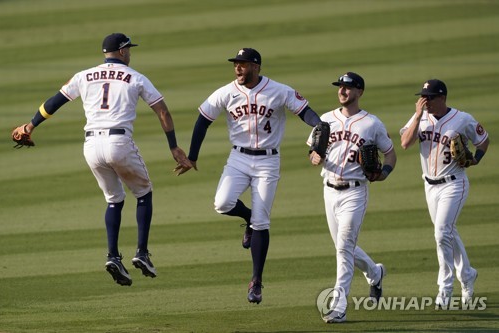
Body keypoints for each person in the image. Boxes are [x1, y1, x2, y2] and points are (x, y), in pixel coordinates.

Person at [12, 33, 192, 286]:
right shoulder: (136, 77)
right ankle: (141, 253)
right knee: (143, 193)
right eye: (128, 49)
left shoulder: (84, 75)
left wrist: (30, 125)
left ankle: (113, 256)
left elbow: (54, 102)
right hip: (119, 142)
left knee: (114, 199)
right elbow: (162, 111)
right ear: (120, 51)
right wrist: (173, 146)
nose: (130, 53)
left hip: (91, 147)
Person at [174, 48, 323, 304]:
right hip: (238, 159)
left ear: (256, 66)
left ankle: (256, 281)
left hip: (268, 161)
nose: (238, 68)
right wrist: (193, 156)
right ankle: (247, 218)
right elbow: (202, 120)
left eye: (243, 64)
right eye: (236, 64)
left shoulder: (279, 90)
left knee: (262, 221)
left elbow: (305, 111)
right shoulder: (227, 92)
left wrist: (318, 124)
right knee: (222, 203)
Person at [307, 72, 397, 323]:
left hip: (355, 192)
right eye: (340, 87)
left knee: (344, 247)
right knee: (343, 248)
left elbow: (390, 154)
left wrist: (385, 174)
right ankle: (375, 273)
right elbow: (313, 150)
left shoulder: (371, 123)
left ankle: (338, 306)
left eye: (348, 87)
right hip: (328, 190)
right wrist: (314, 156)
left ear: (359, 92)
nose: (342, 91)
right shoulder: (326, 119)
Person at [400, 79, 489, 308]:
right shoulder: (420, 117)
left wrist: (475, 160)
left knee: (441, 233)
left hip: (454, 183)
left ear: (442, 97)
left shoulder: (462, 119)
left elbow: (483, 140)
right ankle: (467, 274)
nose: (425, 101)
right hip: (429, 186)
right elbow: (404, 143)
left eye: (429, 97)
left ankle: (445, 288)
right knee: (447, 232)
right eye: (423, 97)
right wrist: (418, 116)